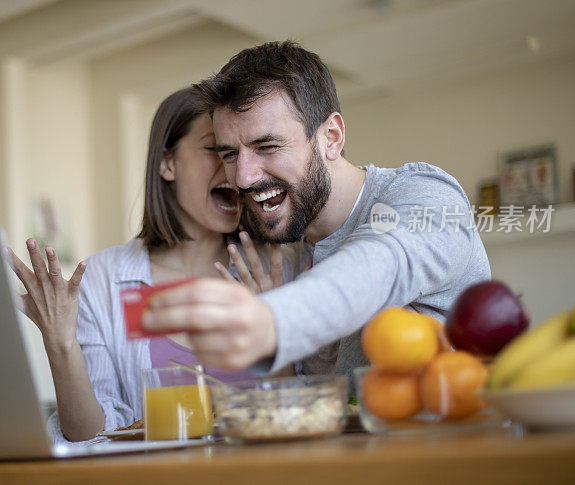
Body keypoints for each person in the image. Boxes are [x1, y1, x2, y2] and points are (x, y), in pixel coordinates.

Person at [142, 41, 491, 382]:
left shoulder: (426, 196)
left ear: (332, 137)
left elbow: (380, 264)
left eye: (267, 146)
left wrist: (273, 320)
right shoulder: (285, 253)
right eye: (230, 154)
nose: (243, 178)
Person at [8, 87, 308, 442]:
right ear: (167, 163)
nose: (237, 169)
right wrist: (60, 343)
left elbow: (307, 413)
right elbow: (93, 435)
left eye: (236, 152)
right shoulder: (102, 280)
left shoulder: (283, 267)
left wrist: (276, 332)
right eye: (217, 149)